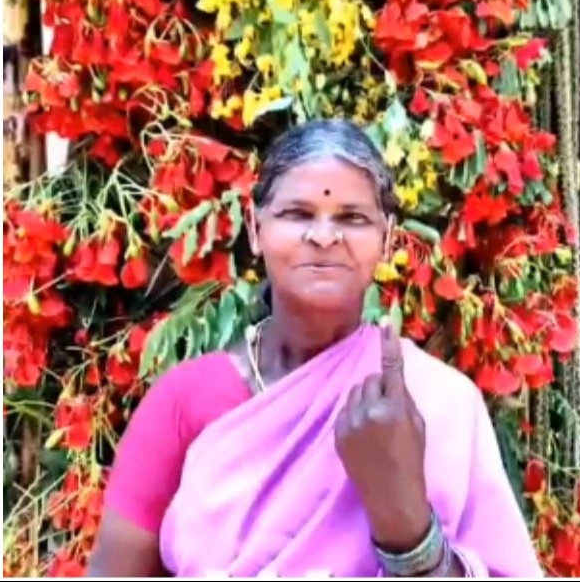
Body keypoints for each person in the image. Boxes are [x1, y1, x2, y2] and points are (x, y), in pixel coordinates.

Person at [87, 120, 543, 578]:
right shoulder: (185, 401)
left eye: (352, 218)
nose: (324, 237)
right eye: (297, 213)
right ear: (254, 227)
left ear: (386, 239)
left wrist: (404, 522)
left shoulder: (439, 402)